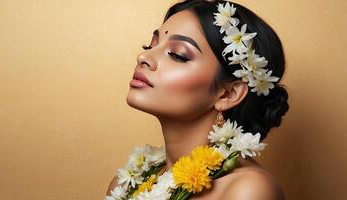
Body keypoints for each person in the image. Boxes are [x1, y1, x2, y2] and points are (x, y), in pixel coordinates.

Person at [106, 0, 289, 199]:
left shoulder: (247, 190)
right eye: (150, 45)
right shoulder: (125, 186)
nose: (143, 56)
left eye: (178, 55)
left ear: (228, 94)